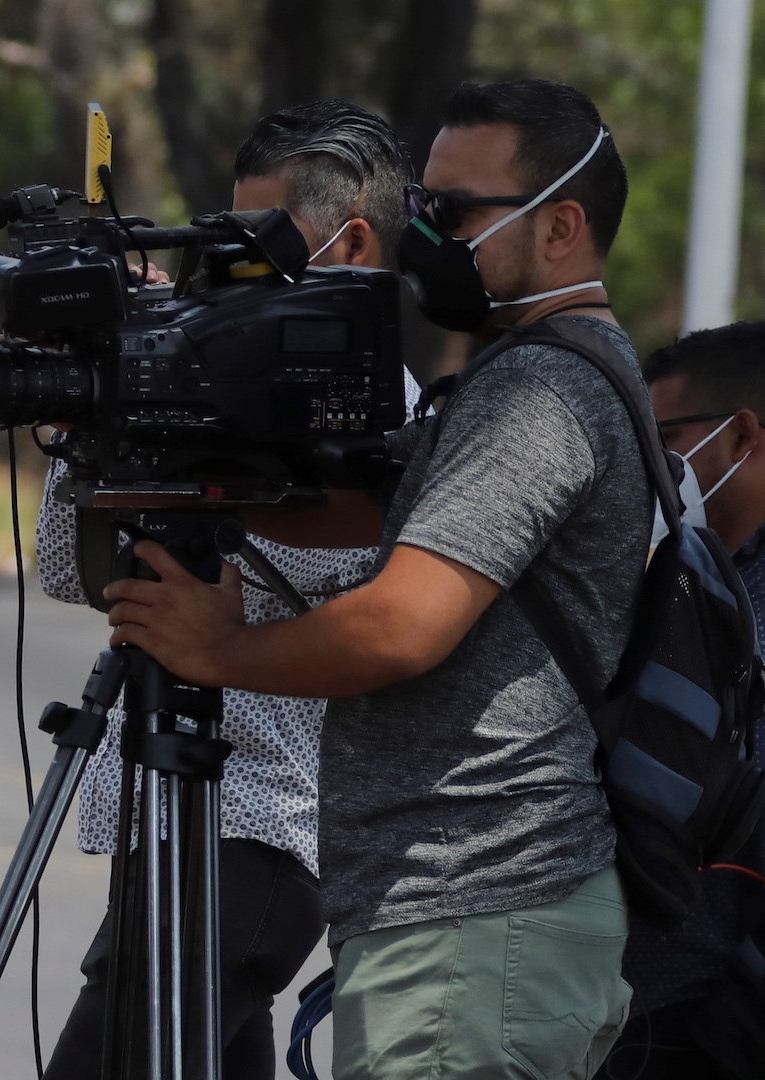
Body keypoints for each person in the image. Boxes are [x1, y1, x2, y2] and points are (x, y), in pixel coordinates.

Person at [104, 78, 645, 1079]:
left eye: (454, 212)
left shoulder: (541, 392)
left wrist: (217, 649)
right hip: (463, 918)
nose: (423, 236)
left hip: (477, 913)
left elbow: (400, 626)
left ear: (561, 225)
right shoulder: (527, 376)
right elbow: (362, 514)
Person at [36, 100, 415, 1079]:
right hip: (171, 823)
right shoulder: (226, 371)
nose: (232, 268)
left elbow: (347, 598)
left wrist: (206, 400)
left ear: (353, 241)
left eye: (255, 243)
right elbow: (73, 571)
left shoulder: (391, 417)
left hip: (260, 837)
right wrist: (116, 383)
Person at [594, 322, 765, 1080]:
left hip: (705, 1022)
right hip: (654, 1006)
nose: (654, 466)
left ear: (740, 437)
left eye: (666, 438)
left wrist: (731, 1030)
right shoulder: (710, 586)